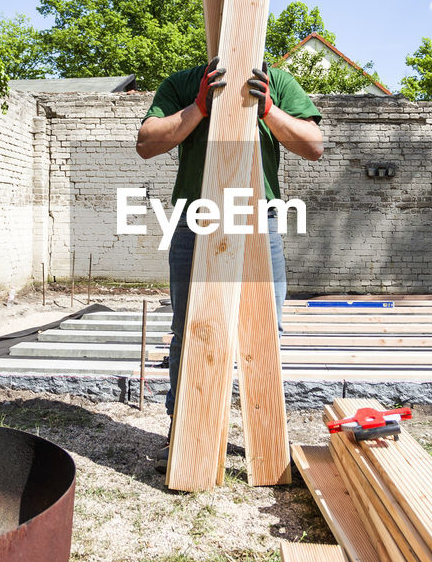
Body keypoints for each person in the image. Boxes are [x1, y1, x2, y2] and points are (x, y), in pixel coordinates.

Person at [135, 57, 323, 470]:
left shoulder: (274, 81)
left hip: (258, 216)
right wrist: (199, 107)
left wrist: (269, 111)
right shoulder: (185, 82)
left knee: (264, 329)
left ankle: (268, 440)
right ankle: (184, 431)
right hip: (194, 216)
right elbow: (147, 143)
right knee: (190, 329)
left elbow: (314, 146)